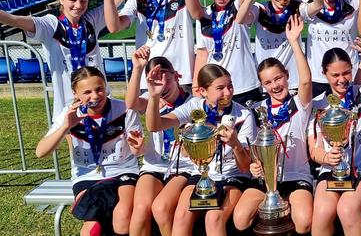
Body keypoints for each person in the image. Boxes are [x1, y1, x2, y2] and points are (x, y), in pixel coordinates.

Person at [0, 0, 125, 116]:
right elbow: (15, 20)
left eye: (83, 0)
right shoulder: (51, 25)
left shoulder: (91, 20)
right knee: (75, 141)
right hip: (68, 105)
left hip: (99, 100)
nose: (78, 5)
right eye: (73, 0)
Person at [144, 63, 255, 236]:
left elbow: (245, 167)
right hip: (201, 174)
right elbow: (155, 125)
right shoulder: (194, 106)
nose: (228, 93)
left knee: (214, 218)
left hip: (233, 176)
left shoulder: (243, 115)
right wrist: (154, 96)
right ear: (203, 91)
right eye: (220, 88)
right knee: (181, 216)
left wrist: (235, 144)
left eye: (230, 86)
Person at [36, 67, 143, 236]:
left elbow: (137, 152)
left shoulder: (124, 109)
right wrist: (66, 127)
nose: (95, 96)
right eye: (87, 92)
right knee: (91, 226)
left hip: (123, 170)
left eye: (100, 89)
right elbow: (40, 152)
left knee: (123, 216)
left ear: (105, 86)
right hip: (87, 175)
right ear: (75, 93)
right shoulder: (69, 114)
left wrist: (137, 147)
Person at [233, 15, 314, 235]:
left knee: (304, 221)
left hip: (295, 176)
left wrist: (295, 43)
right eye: (268, 82)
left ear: (287, 76)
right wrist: (252, 165)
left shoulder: (299, 103)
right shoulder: (256, 110)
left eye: (278, 78)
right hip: (263, 180)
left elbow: (306, 81)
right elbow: (250, 149)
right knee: (240, 220)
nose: (275, 85)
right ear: (262, 86)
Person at [309, 37, 361, 236]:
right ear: (324, 74)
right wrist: (327, 158)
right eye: (335, 75)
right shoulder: (318, 105)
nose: (342, 79)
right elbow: (314, 151)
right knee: (322, 212)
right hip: (331, 169)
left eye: (346, 72)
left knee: (347, 209)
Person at [103, 0, 204, 93]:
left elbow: (196, 14)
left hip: (181, 77)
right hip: (150, 79)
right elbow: (114, 27)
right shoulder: (137, 0)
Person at [125, 47, 194, 236]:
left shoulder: (192, 102)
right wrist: (138, 69)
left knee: (160, 208)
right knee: (139, 211)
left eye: (167, 80)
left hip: (183, 166)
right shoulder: (151, 98)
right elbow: (130, 103)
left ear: (177, 76)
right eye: (155, 81)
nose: (162, 86)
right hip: (155, 163)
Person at [235, 0, 323, 91]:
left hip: (293, 82)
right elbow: (240, 19)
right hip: (267, 84)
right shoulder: (260, 9)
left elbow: (318, 5)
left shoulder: (297, 10)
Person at [193, 0, 261, 106]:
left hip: (245, 85)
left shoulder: (238, 6)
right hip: (216, 89)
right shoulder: (204, 15)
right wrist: (196, 85)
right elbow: (202, 53)